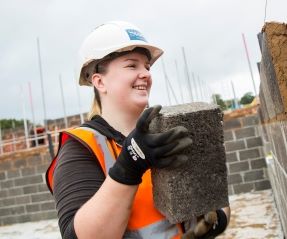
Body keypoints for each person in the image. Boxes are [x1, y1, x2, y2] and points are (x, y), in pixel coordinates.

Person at [46, 21, 230, 239]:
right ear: (99, 81)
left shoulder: (165, 131)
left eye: (147, 67)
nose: (145, 74)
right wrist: (130, 164)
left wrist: (216, 218)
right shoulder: (82, 147)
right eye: (132, 65)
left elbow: (217, 199)